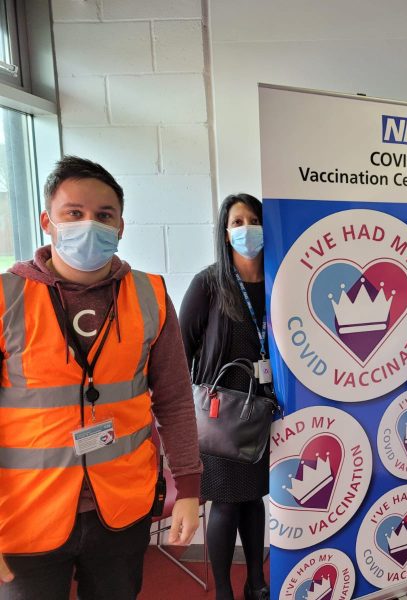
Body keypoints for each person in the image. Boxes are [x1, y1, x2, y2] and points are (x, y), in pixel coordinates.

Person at [0, 156, 202, 599]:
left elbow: (173, 398)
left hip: (120, 507)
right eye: (74, 213)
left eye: (103, 215)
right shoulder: (6, 297)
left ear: (121, 226)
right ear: (47, 222)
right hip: (25, 513)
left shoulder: (150, 294)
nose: (88, 224)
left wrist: (187, 486)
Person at [179, 193, 271, 600]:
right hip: (220, 414)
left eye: (253, 219)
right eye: (237, 221)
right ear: (225, 229)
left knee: (253, 500)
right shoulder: (208, 283)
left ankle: (256, 583)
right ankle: (223, 594)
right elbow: (180, 348)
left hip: (264, 408)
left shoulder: (279, 279)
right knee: (227, 503)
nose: (246, 228)